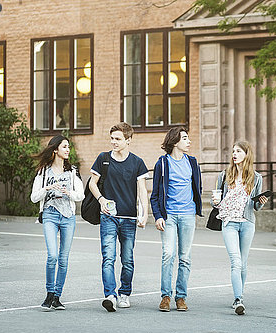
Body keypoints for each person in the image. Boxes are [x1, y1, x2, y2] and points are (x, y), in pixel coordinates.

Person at [89, 122, 149, 312]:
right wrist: (101, 200)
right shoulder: (103, 158)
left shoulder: (137, 163)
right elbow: (92, 183)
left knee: (127, 259)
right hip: (108, 217)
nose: (113, 142)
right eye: (112, 138)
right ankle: (110, 295)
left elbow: (142, 191)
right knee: (108, 257)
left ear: (128, 140)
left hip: (129, 218)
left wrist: (144, 213)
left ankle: (125, 293)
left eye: (118, 139)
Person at [212, 141, 268, 315]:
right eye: (233, 151)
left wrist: (261, 203)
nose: (234, 154)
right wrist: (215, 202)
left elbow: (255, 207)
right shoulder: (224, 175)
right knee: (235, 261)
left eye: (238, 151)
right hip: (228, 222)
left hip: (247, 223)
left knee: (243, 263)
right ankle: (238, 300)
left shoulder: (257, 178)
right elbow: (217, 200)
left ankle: (239, 295)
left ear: (246, 154)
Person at [150, 127, 203, 312]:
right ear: (174, 142)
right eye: (185, 138)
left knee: (185, 258)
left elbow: (198, 187)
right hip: (169, 216)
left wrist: (197, 206)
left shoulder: (192, 162)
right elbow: (155, 194)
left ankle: (181, 297)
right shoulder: (163, 164)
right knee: (168, 254)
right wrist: (158, 216)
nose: (189, 142)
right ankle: (166, 296)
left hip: (188, 215)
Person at [31, 135, 84, 311]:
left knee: (63, 259)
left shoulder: (72, 171)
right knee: (52, 255)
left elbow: (80, 195)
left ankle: (57, 297)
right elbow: (33, 197)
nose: (68, 150)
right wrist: (47, 188)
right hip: (50, 215)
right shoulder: (43, 172)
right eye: (64, 147)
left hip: (68, 217)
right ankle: (49, 294)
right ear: (55, 150)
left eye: (69, 147)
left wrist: (68, 192)